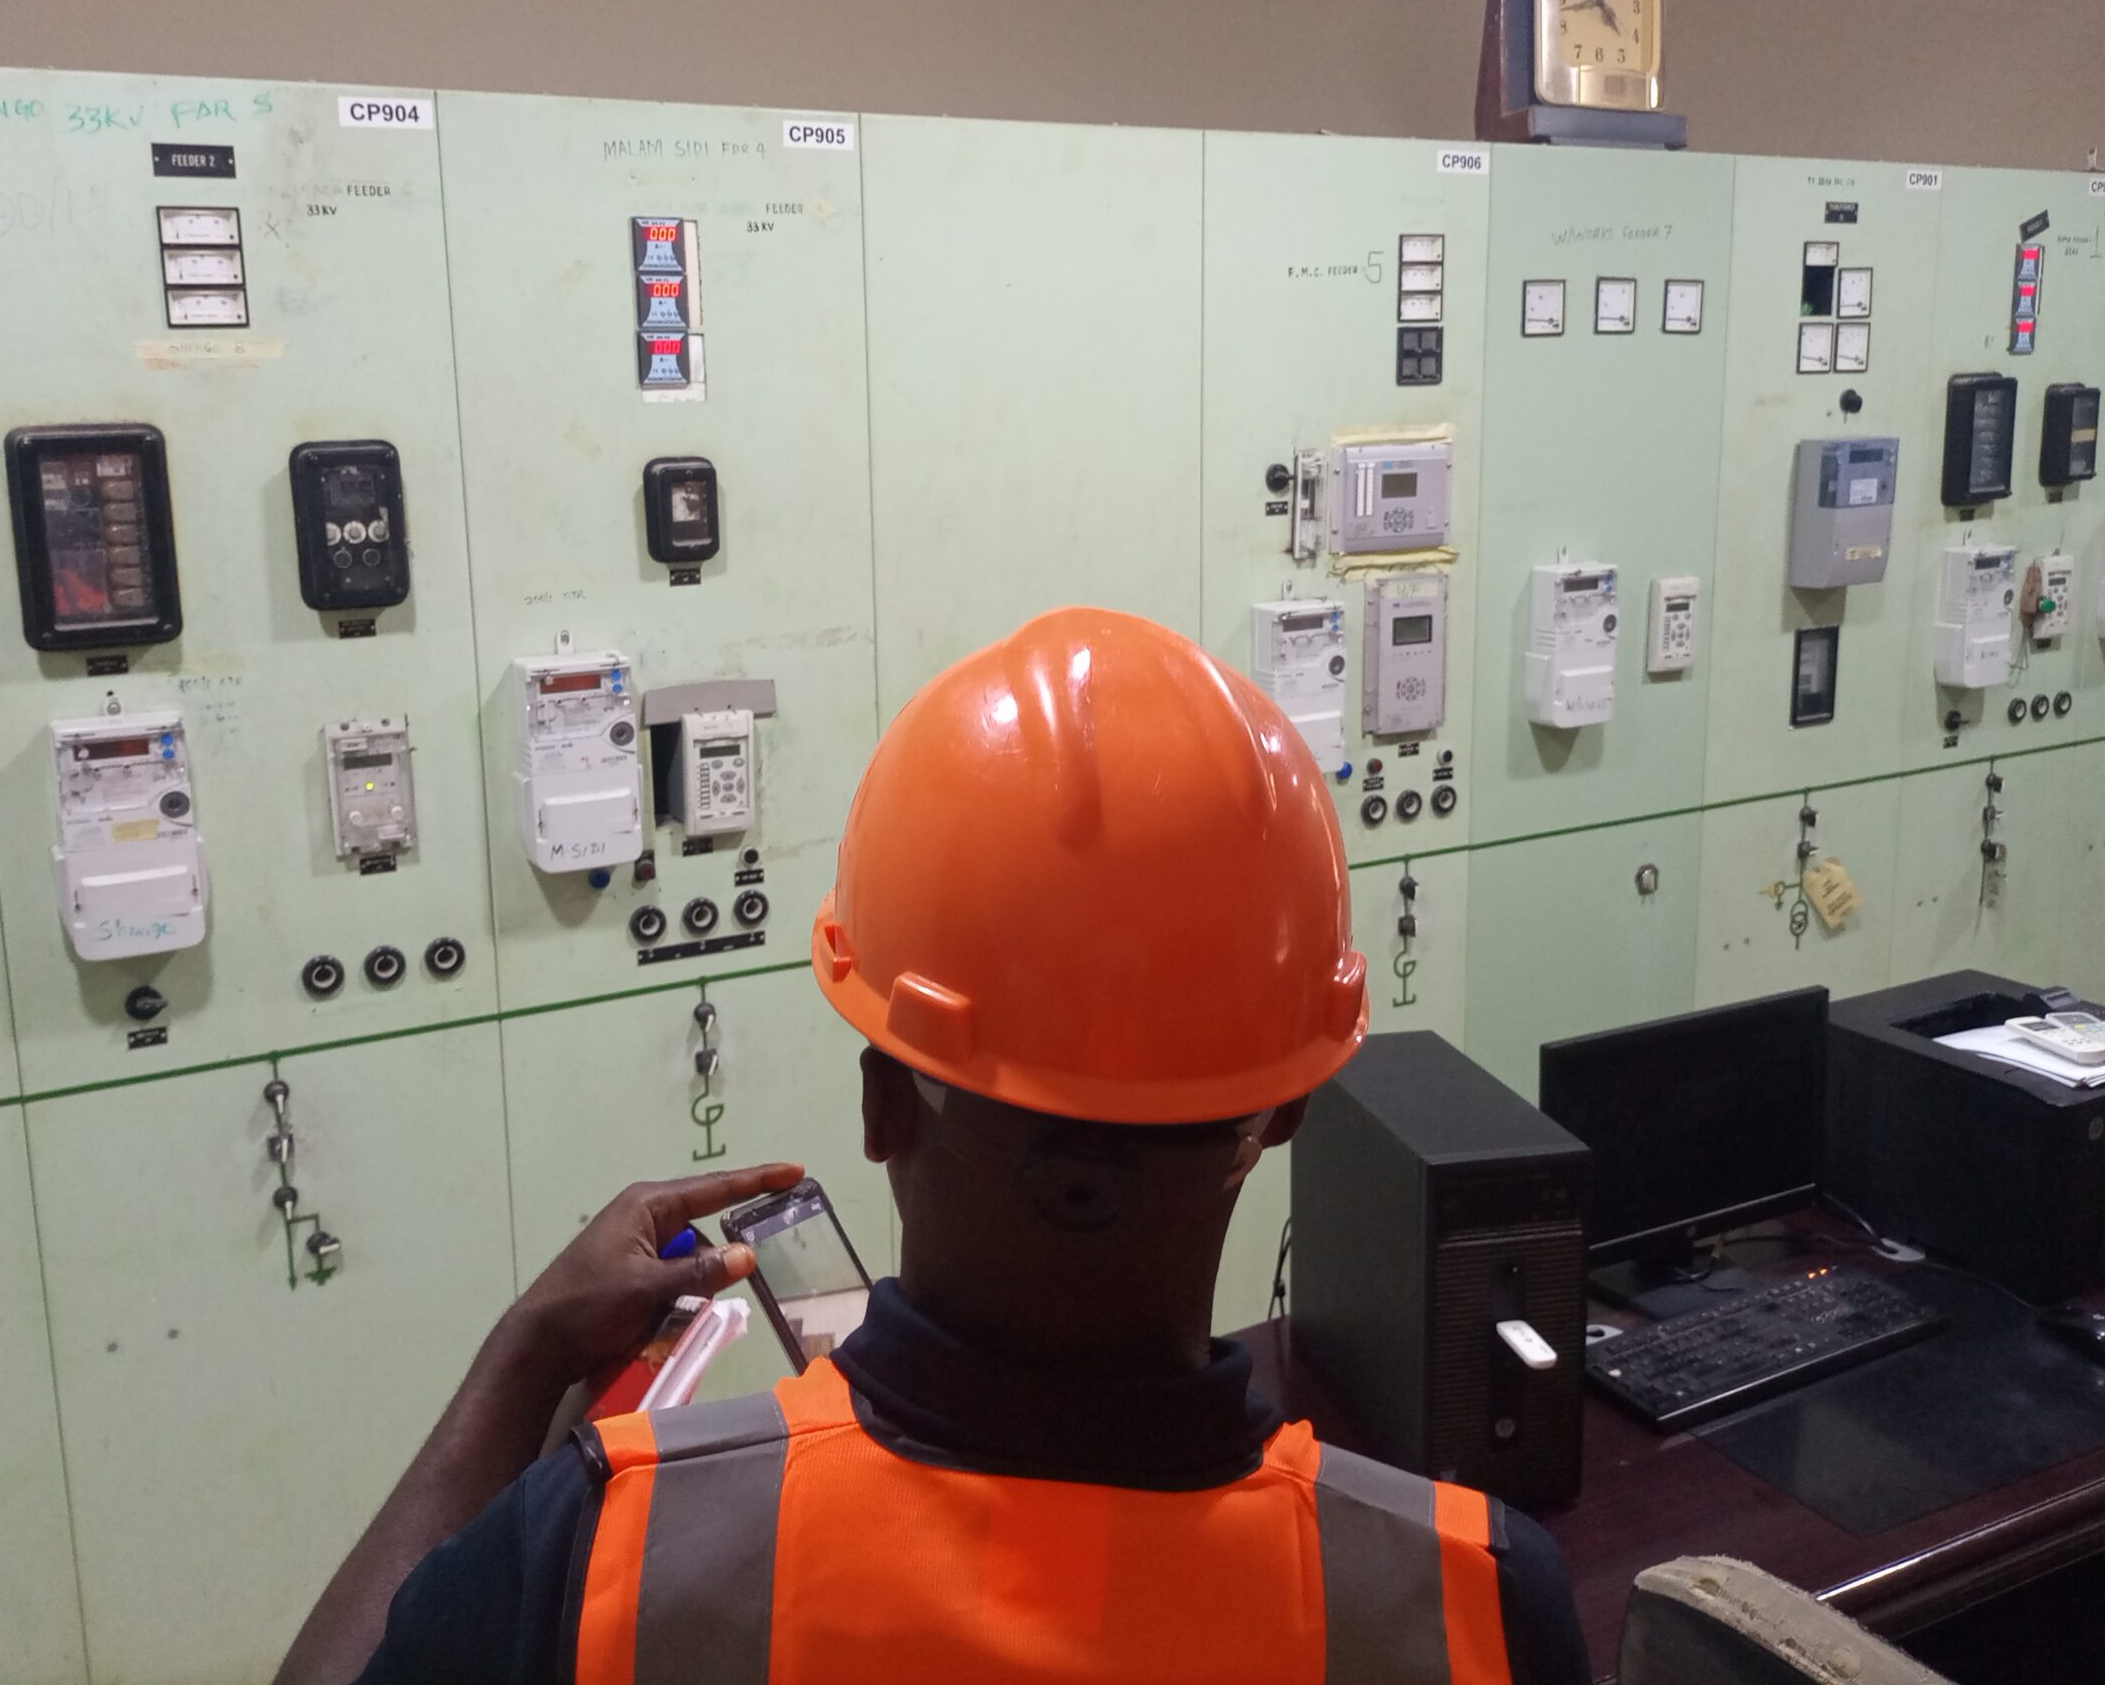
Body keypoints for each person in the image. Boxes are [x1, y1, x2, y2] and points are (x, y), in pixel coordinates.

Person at [280, 607, 1588, 1685]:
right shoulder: (1474, 1605)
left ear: (881, 1105)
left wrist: (525, 1356)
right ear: (1285, 1110)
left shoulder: (604, 1557)